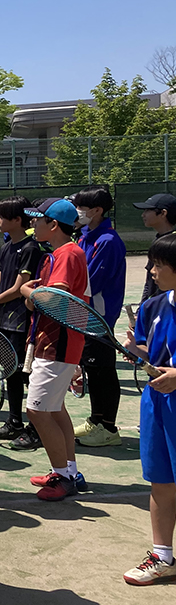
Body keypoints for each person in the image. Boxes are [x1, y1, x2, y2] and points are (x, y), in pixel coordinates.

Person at [19, 198, 89, 501]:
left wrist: (27, 291)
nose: (33, 225)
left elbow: (52, 300)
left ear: (54, 225)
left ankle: (63, 476)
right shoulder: (57, 255)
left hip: (59, 341)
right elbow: (37, 301)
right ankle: (68, 471)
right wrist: (33, 296)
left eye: (38, 220)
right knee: (55, 407)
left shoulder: (68, 254)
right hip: (54, 339)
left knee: (36, 410)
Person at [122, 232, 176, 585]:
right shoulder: (154, 307)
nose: (150, 270)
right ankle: (163, 555)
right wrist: (136, 351)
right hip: (157, 405)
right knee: (161, 480)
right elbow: (150, 353)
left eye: (157, 264)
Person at [0, 197, 43, 445]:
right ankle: (15, 422)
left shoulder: (30, 249)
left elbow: (20, 288)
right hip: (4, 321)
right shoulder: (7, 247)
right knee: (11, 374)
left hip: (22, 322)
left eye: (2, 217)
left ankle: (37, 428)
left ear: (17, 220)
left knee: (26, 375)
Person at [71, 186, 127, 447]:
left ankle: (108, 427)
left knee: (102, 369)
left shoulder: (107, 241)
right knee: (92, 369)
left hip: (99, 314)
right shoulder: (85, 235)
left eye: (82, 206)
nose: (77, 211)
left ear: (97, 210)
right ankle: (96, 420)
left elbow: (91, 281)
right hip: (86, 312)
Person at [134, 193, 176, 302]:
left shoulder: (172, 245)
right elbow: (149, 281)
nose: (143, 215)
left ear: (163, 213)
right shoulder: (158, 240)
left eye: (148, 210)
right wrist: (143, 306)